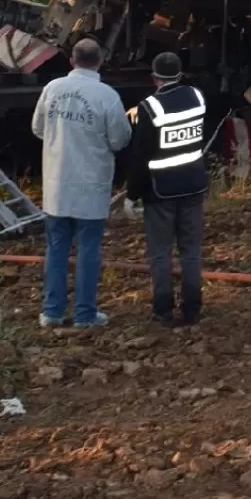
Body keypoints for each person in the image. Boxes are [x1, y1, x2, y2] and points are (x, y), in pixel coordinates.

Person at [31, 38, 133, 329]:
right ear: (100, 61)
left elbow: (38, 128)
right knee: (89, 250)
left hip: (57, 185)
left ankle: (52, 312)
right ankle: (85, 315)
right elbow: (119, 139)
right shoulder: (107, 96)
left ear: (72, 61)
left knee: (56, 248)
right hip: (91, 184)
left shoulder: (52, 89)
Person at [126, 52, 208, 327]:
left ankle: (162, 309)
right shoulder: (197, 97)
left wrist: (132, 194)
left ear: (154, 77)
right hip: (194, 186)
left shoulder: (149, 107)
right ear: (181, 73)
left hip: (160, 191)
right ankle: (192, 309)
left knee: (161, 252)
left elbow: (141, 156)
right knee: (191, 250)